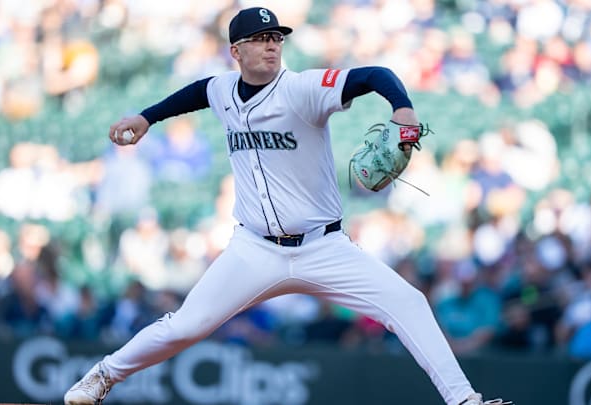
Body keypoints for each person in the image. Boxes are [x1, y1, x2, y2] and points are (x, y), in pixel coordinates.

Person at [63, 7, 510, 405]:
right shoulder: (223, 90)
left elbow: (374, 74)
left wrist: (404, 109)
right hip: (254, 250)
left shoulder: (303, 88)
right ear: (236, 51)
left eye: (276, 37)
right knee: (184, 327)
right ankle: (103, 376)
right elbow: (199, 91)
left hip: (325, 248)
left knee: (408, 302)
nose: (272, 45)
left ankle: (464, 400)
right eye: (260, 39)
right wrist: (147, 117)